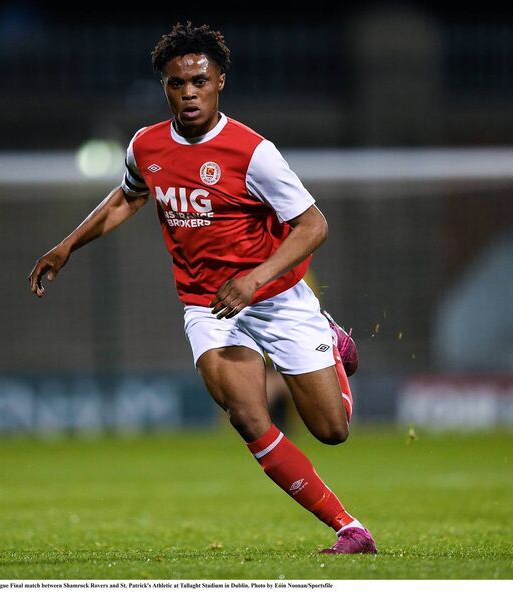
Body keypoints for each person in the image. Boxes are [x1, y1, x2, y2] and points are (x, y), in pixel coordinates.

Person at [29, 23, 374, 554]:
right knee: (246, 414)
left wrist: (255, 278)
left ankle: (333, 341)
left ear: (219, 83)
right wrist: (67, 245)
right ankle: (349, 528)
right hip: (207, 304)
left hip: (277, 297)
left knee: (332, 430)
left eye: (199, 81)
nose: (188, 92)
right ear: (164, 87)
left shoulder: (252, 152)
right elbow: (128, 197)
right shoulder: (146, 146)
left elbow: (314, 225)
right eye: (176, 83)